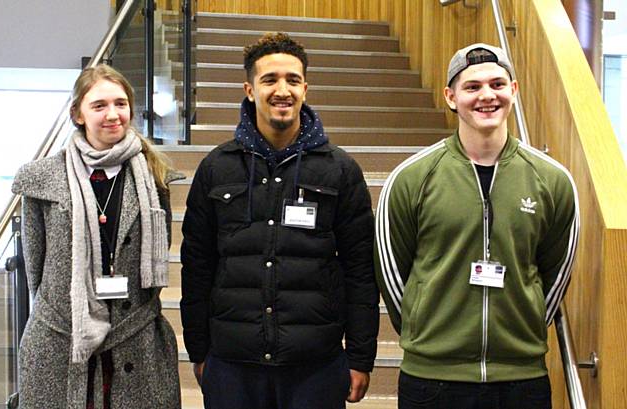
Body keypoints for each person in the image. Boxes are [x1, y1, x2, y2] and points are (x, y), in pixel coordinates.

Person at [375, 43, 580, 409]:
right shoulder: (411, 178)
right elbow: (391, 274)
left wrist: (523, 325)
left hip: (521, 380)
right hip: (433, 379)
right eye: (472, 87)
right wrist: (427, 328)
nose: (487, 96)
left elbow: (556, 273)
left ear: (513, 91)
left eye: (497, 84)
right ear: (451, 97)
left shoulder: (553, 180)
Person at [180, 32, 379, 409]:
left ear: (305, 88)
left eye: (292, 79)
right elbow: (197, 266)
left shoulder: (340, 170)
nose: (281, 90)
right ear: (250, 89)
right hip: (232, 364)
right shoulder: (216, 168)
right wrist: (199, 350)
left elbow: (360, 271)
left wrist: (360, 356)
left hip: (315, 367)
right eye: (269, 80)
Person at [12, 64, 182, 409]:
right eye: (99, 105)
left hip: (136, 335)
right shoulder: (42, 178)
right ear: (78, 114)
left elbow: (159, 249)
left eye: (120, 104)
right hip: (61, 338)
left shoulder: (154, 175)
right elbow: (36, 265)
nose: (112, 115)